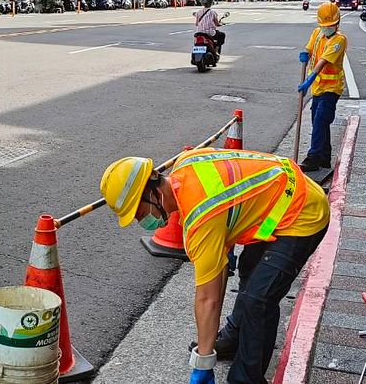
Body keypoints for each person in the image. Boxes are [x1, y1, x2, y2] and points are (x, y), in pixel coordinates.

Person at [100, 149, 330, 384]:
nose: (142, 222)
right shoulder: (185, 162)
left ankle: (246, 379)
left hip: (304, 212)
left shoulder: (201, 217)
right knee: (250, 270)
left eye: (139, 213)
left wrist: (203, 362)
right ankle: (233, 338)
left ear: (152, 192)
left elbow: (208, 299)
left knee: (258, 300)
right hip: (276, 200)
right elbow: (218, 270)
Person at [297, 2, 347, 172]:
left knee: (320, 120)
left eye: (331, 25)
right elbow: (310, 48)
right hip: (318, 88)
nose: (327, 28)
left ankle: (314, 157)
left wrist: (308, 81)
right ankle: (325, 157)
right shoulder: (317, 32)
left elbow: (323, 62)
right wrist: (305, 53)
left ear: (337, 23)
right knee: (319, 122)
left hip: (331, 89)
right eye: (325, 25)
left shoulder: (339, 40)